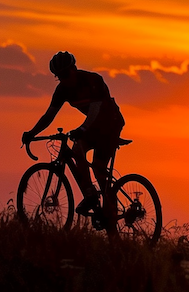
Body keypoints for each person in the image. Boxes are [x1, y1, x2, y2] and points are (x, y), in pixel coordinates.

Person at [23, 51, 125, 216]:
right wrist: (31, 133)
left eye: (65, 74)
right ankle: (90, 195)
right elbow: (49, 115)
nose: (64, 79)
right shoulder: (62, 90)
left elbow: (95, 110)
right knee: (77, 150)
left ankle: (111, 208)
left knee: (99, 168)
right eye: (59, 77)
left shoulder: (92, 80)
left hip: (111, 123)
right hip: (93, 126)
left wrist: (83, 128)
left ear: (74, 69)